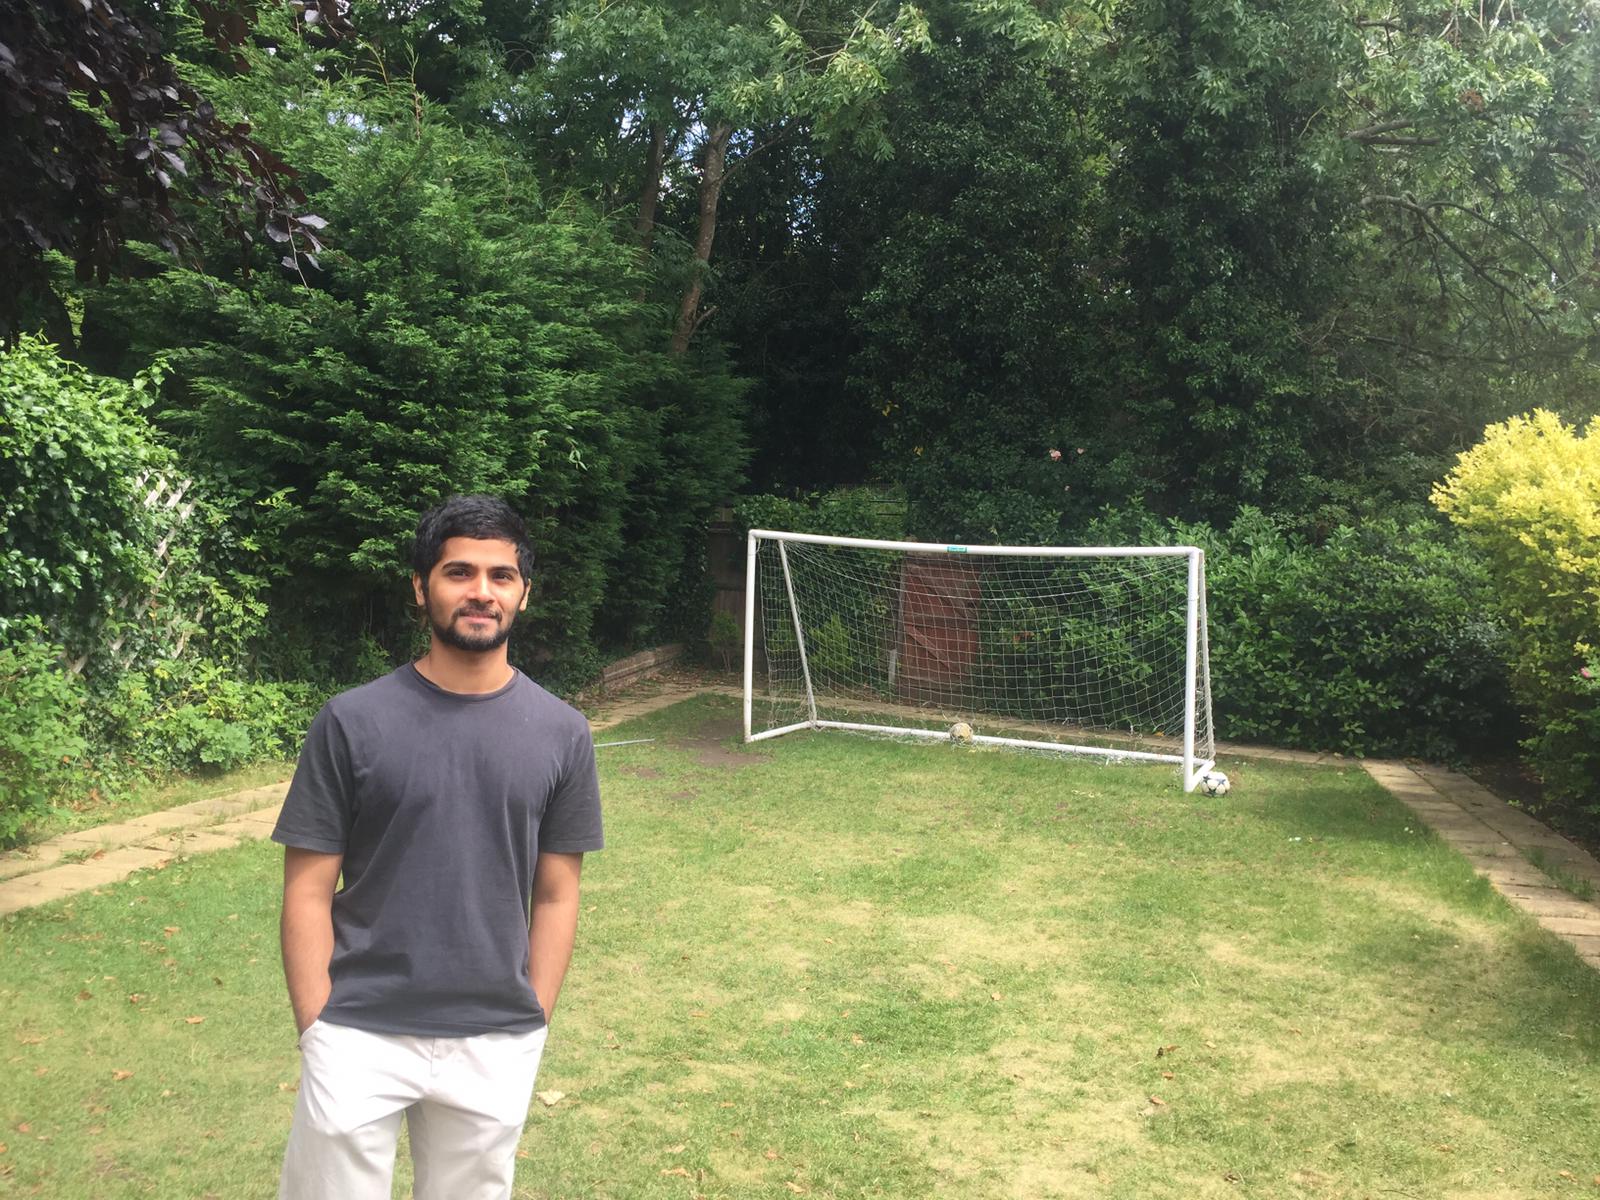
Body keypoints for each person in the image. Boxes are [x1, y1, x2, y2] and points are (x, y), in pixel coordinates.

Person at [272, 495, 603, 1200]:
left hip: (495, 1036)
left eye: (501, 575)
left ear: (523, 593)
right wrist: (317, 1027)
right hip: (357, 1028)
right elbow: (306, 888)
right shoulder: (351, 721)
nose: (482, 591)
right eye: (459, 572)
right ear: (421, 588)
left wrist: (534, 1018)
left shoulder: (562, 733)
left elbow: (557, 893)